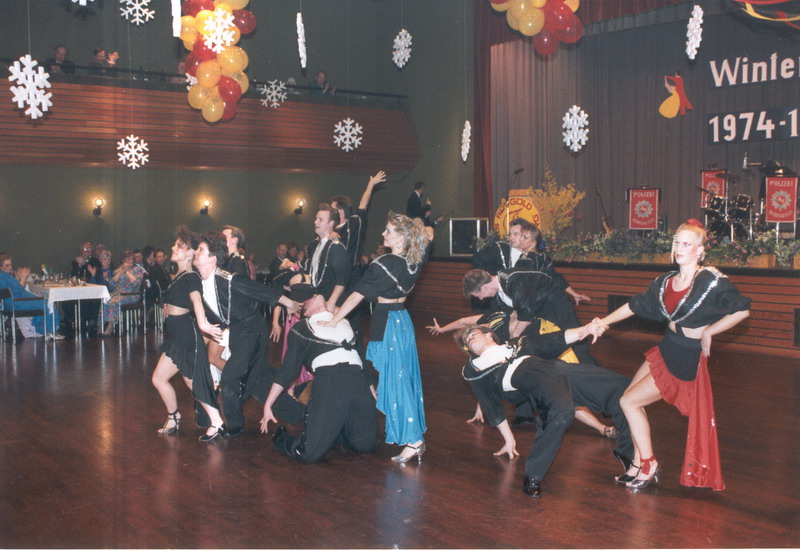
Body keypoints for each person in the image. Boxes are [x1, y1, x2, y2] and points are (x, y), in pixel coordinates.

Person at [592, 220, 750, 491]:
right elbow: (635, 305)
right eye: (677, 243)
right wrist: (603, 321)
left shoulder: (711, 281)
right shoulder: (666, 281)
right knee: (629, 400)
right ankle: (637, 463)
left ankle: (649, 463)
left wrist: (710, 331)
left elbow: (741, 310)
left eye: (686, 244)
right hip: (668, 347)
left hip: (684, 357)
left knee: (629, 402)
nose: (679, 248)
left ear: (700, 250)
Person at [458, 324, 634, 497]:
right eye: (467, 341)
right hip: (529, 376)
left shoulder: (516, 344)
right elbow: (491, 406)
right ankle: (533, 475)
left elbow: (552, 341)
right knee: (562, 411)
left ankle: (627, 453)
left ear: (489, 335)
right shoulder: (473, 368)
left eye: (473, 334)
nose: (469, 340)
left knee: (622, 387)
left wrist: (586, 329)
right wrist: (509, 440)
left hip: (556, 368)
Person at [320, 212, 433, 463]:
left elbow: (356, 296)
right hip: (402, 321)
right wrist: (417, 226)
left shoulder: (385, 263)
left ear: (401, 237)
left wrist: (334, 321)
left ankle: (413, 441)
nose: (383, 234)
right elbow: (428, 233)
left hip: (389, 323)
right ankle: (413, 436)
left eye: (389, 230)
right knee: (403, 379)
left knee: (396, 383)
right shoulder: (415, 258)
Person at [426, 309, 616, 438]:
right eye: (468, 339)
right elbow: (484, 378)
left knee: (567, 391)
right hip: (515, 378)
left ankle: (603, 425)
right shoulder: (487, 321)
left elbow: (526, 321)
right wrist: (442, 329)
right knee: (557, 395)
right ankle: (602, 425)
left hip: (528, 355)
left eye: (473, 335)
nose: (471, 337)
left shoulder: (505, 319)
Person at [194, 231, 305, 435]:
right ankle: (301, 414)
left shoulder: (227, 279)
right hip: (237, 333)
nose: (195, 252)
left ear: (212, 258)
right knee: (259, 383)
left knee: (230, 378)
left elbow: (256, 289)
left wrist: (288, 302)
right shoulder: (201, 284)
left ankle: (234, 426)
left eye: (200, 250)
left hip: (252, 330)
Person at [260, 293, 379, 463]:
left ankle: (331, 430)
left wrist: (371, 389)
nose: (314, 294)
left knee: (366, 444)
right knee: (308, 453)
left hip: (357, 380)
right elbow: (287, 370)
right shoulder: (302, 327)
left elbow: (360, 358)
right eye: (308, 300)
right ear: (307, 312)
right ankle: (281, 438)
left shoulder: (345, 321)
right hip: (330, 381)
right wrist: (268, 404)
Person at [151, 227, 226, 441]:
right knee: (160, 379)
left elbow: (196, 299)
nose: (173, 248)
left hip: (185, 336)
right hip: (177, 334)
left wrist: (202, 323)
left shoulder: (192, 276)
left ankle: (217, 422)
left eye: (179, 246)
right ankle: (174, 417)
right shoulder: (180, 275)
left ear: (190, 253)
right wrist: (168, 307)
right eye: (175, 245)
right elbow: (181, 300)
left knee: (192, 382)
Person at [0, 254, 62, 340]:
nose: (10, 267)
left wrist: (18, 277)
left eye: (11, 264)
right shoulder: (4, 276)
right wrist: (23, 278)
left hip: (9, 304)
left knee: (43, 301)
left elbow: (14, 289)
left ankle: (43, 330)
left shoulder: (4, 276)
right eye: (7, 265)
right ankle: (49, 331)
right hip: (16, 303)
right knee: (48, 303)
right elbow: (18, 291)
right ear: (1, 267)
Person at [303, 204, 350, 312]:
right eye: (316, 219)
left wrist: (331, 302)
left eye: (320, 219)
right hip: (319, 300)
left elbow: (342, 279)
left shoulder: (336, 246)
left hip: (331, 303)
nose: (315, 222)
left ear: (331, 223)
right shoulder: (315, 245)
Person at [101, 250, 146, 336]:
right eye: (128, 259)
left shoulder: (138, 270)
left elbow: (136, 284)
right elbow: (111, 285)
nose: (130, 261)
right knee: (104, 300)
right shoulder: (118, 270)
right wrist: (119, 273)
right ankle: (101, 326)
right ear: (123, 260)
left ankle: (110, 326)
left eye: (132, 259)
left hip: (131, 294)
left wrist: (127, 272)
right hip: (118, 293)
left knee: (114, 301)